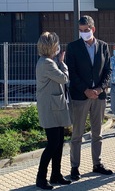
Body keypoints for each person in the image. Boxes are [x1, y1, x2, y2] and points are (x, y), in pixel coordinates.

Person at [66, 15, 112, 181]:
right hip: (80, 96)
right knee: (77, 134)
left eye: (86, 30)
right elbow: (72, 72)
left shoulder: (104, 47)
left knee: (97, 133)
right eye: (80, 30)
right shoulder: (72, 47)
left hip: (99, 96)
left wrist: (100, 89)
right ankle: (74, 167)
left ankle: (97, 164)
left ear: (93, 29)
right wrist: (85, 90)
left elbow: (108, 70)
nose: (83, 33)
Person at [35, 32, 71, 190]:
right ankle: (41, 177)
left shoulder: (47, 61)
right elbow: (64, 79)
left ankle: (56, 174)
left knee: (59, 143)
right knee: (53, 144)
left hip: (55, 107)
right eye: (56, 44)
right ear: (51, 46)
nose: (58, 47)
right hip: (51, 109)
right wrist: (63, 63)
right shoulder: (47, 63)